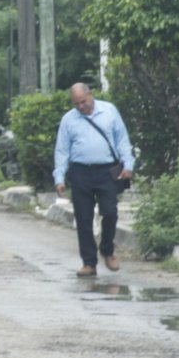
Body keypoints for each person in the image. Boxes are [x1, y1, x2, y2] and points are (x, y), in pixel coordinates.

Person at [54, 82, 135, 276]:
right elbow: (62, 150)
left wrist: (129, 165)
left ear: (90, 95)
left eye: (83, 101)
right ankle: (89, 262)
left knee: (110, 212)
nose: (81, 107)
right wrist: (59, 177)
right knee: (83, 218)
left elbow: (122, 140)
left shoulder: (109, 111)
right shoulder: (69, 120)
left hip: (107, 171)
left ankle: (107, 249)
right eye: (76, 104)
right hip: (80, 172)